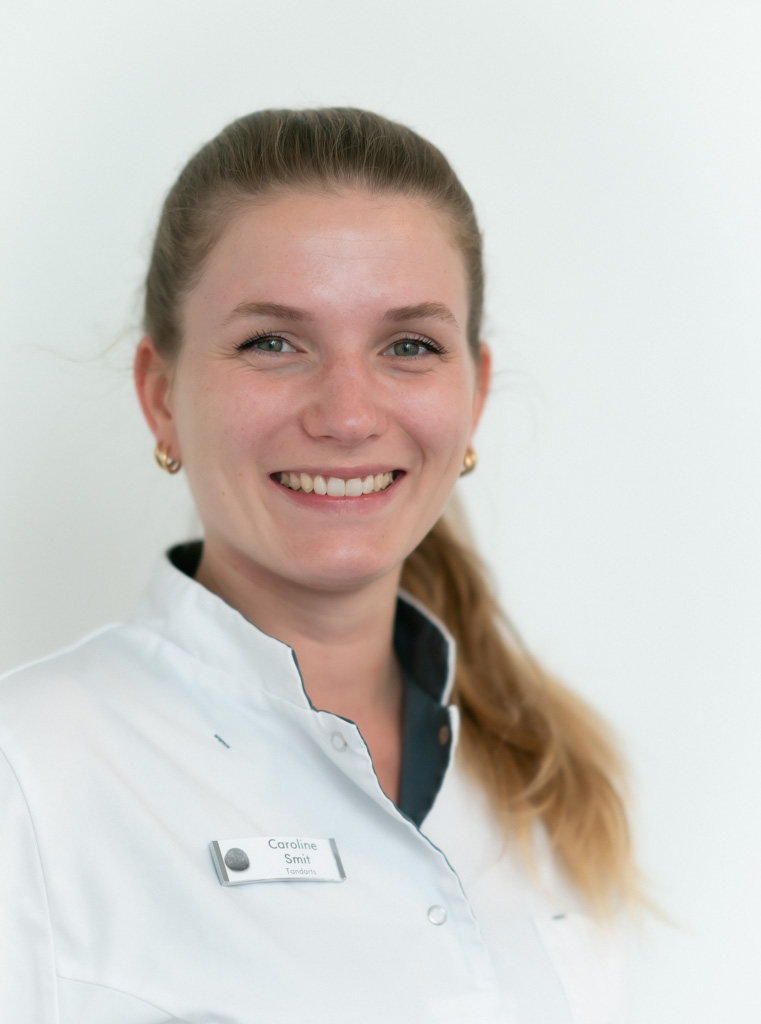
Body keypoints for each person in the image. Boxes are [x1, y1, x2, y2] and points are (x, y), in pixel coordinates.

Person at [0, 108, 636, 1023]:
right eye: (273, 342)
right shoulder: (30, 777)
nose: (346, 415)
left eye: (408, 346)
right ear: (162, 396)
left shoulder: (547, 788)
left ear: (473, 396)